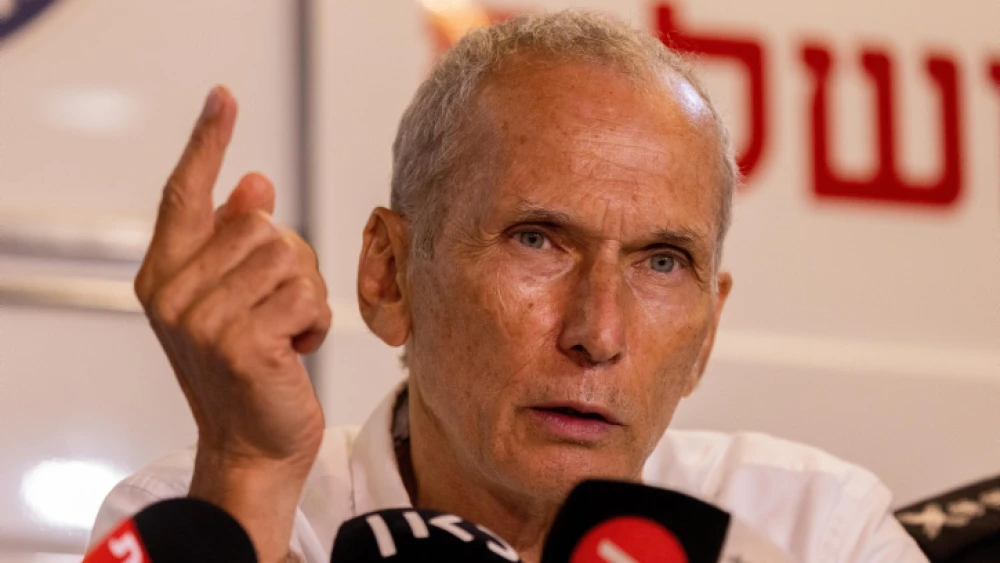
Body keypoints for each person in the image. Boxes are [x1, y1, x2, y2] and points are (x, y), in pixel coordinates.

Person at [91, 11, 927, 563]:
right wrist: (247, 469)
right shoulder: (214, 508)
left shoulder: (818, 529)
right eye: (537, 240)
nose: (598, 332)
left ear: (708, 331)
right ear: (388, 274)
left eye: (662, 262)